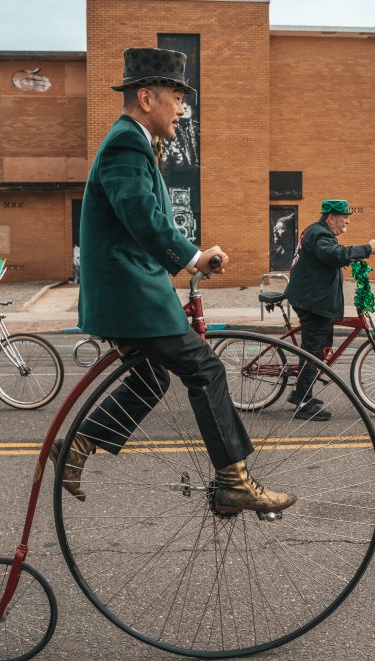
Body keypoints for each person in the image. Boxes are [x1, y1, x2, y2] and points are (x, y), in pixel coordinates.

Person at [50, 47, 294, 515]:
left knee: (150, 379)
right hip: (130, 295)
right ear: (146, 97)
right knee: (206, 368)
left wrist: (193, 253)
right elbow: (140, 216)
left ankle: (76, 447)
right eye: (177, 97)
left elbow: (150, 217)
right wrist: (193, 257)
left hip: (133, 291)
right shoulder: (126, 142)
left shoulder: (135, 143)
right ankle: (234, 480)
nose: (183, 110)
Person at [283, 199, 375, 421]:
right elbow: (334, 254)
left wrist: (352, 258)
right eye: (344, 217)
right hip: (313, 303)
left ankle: (301, 391)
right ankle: (303, 403)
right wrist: (368, 248)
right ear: (331, 217)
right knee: (313, 352)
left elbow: (331, 257)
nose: (347, 221)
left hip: (312, 300)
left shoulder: (317, 232)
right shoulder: (320, 235)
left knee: (317, 349)